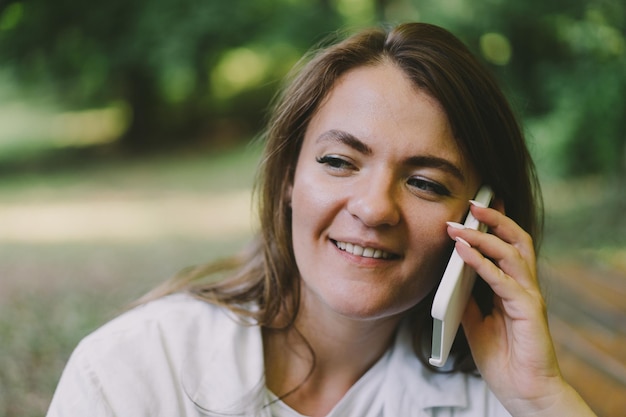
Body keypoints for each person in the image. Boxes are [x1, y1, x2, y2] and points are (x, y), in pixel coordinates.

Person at [46, 22, 597, 417]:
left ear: (481, 221)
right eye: (339, 161)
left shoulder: (501, 400)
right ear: (287, 177)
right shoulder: (132, 370)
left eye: (426, 183)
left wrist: (542, 400)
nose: (375, 207)